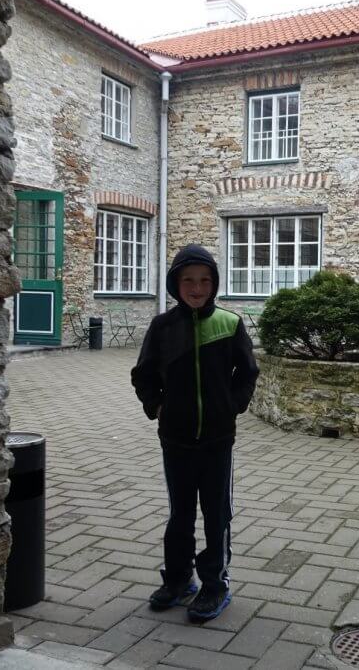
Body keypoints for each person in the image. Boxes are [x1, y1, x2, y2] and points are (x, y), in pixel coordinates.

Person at [131, 243, 259, 622]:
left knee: (216, 513)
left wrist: (232, 404)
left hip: (218, 440)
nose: (197, 287)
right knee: (180, 514)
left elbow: (248, 372)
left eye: (204, 280)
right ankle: (178, 579)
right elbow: (144, 374)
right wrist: (156, 405)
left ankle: (214, 584)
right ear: (175, 283)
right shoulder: (162, 327)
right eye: (188, 280)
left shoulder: (229, 323)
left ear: (215, 283)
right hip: (176, 439)